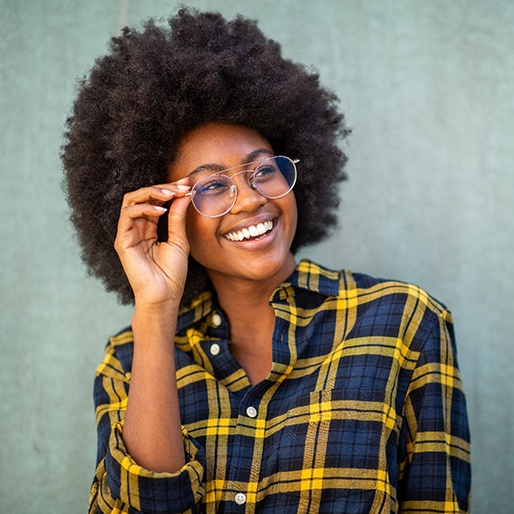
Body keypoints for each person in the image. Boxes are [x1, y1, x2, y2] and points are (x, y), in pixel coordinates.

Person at [62, 8, 471, 514]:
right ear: (165, 213)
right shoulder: (128, 361)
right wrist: (155, 311)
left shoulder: (404, 322)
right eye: (212, 186)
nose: (253, 200)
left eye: (263, 170)